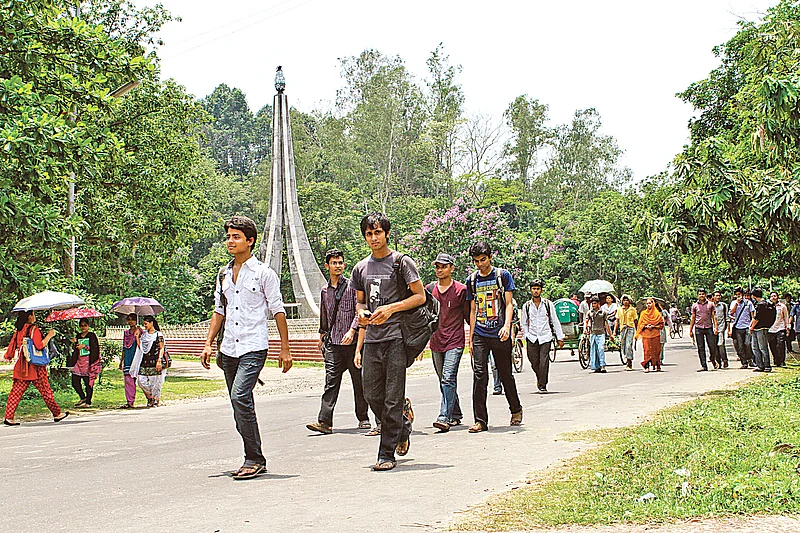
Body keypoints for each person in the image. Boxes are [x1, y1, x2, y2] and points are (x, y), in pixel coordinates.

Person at [200, 215, 292, 480]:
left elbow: (278, 311)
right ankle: (252, 455)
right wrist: (208, 344)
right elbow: (219, 311)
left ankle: (254, 458)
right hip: (228, 348)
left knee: (240, 397)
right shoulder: (223, 274)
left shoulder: (264, 274)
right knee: (238, 402)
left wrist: (285, 349)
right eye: (228, 236)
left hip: (254, 346)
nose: (230, 241)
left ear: (250, 241)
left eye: (236, 236)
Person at [351, 212, 424, 472]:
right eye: (369, 234)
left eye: (378, 232)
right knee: (371, 393)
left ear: (387, 233)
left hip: (396, 338)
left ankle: (386, 453)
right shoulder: (360, 268)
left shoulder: (401, 262)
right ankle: (402, 427)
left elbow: (420, 296)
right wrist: (360, 311)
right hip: (372, 338)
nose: (373, 238)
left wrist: (391, 309)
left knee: (393, 397)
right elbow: (360, 300)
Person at [307, 249, 370, 435]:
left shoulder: (352, 287)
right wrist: (322, 335)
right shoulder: (325, 291)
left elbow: (360, 309)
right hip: (334, 342)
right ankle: (324, 421)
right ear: (327, 266)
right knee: (331, 381)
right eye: (334, 263)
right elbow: (325, 315)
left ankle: (363, 417)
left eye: (340, 262)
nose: (338, 266)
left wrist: (352, 330)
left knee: (359, 381)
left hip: (352, 344)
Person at [465, 240, 523, 433]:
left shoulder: (502, 276)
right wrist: (472, 338)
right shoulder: (472, 281)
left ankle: (516, 408)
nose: (480, 264)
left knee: (505, 373)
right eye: (476, 261)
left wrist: (507, 327)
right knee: (479, 375)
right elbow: (473, 310)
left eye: (483, 259)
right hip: (481, 333)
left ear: (490, 257)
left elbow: (508, 304)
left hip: (499, 332)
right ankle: (480, 420)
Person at [3, 311, 68, 426]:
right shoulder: (34, 329)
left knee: (15, 392)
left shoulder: (19, 330)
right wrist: (49, 335)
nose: (35, 317)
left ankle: (9, 417)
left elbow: (12, 345)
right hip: (36, 366)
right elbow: (40, 345)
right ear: (29, 316)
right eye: (33, 314)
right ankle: (57, 413)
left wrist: (9, 356)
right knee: (45, 391)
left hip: (22, 365)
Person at [428, 253, 469, 432]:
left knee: (447, 378)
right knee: (444, 380)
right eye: (437, 267)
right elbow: (425, 317)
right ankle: (456, 413)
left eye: (443, 266)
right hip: (436, 341)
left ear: (452, 268)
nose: (440, 270)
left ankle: (444, 416)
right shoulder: (429, 289)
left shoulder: (461, 290)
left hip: (455, 340)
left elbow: (470, 315)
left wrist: (475, 339)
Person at [520, 279, 564, 393]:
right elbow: (524, 322)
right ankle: (540, 378)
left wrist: (560, 337)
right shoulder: (526, 306)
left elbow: (555, 320)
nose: (536, 291)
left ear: (541, 290)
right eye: (534, 289)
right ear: (530, 290)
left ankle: (543, 384)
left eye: (538, 289)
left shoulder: (548, 304)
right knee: (533, 361)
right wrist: (526, 335)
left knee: (544, 361)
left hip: (545, 336)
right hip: (532, 337)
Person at [69, 319, 101, 407]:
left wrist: (85, 347)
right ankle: (83, 397)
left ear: (88, 326)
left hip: (89, 362)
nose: (83, 327)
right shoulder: (78, 336)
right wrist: (74, 343)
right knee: (75, 381)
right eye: (81, 325)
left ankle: (88, 402)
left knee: (88, 382)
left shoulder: (92, 335)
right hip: (79, 362)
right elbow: (75, 349)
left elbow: (95, 349)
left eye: (85, 325)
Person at [135, 316, 166, 408]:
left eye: (146, 324)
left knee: (156, 381)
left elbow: (161, 348)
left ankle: (155, 399)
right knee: (141, 381)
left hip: (155, 360)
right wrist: (137, 337)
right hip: (145, 361)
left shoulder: (158, 335)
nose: (145, 326)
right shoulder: (144, 335)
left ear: (151, 323)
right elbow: (142, 347)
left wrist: (159, 360)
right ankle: (151, 395)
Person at [689, 288, 718, 372]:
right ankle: (703, 365)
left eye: (703, 294)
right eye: (700, 294)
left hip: (709, 327)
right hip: (698, 328)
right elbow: (693, 318)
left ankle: (712, 358)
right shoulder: (695, 306)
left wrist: (716, 327)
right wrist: (690, 330)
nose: (701, 295)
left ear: (705, 295)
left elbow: (714, 317)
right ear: (697, 295)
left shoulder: (711, 304)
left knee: (712, 346)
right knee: (700, 347)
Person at [749, 287, 775, 373]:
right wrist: (752, 326)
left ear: (753, 295)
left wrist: (752, 327)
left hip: (761, 328)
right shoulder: (761, 303)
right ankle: (760, 365)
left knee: (763, 347)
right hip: (757, 328)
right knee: (755, 347)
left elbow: (757, 318)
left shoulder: (762, 304)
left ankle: (767, 365)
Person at [636, 298, 665, 372]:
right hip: (646, 335)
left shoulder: (657, 314)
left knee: (656, 350)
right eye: (647, 303)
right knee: (647, 350)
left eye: (650, 303)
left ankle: (657, 365)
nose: (648, 305)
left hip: (655, 334)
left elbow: (661, 325)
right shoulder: (643, 313)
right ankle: (647, 366)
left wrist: (654, 326)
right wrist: (645, 326)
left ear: (653, 304)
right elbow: (640, 324)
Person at [729, 288, 755, 368]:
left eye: (739, 295)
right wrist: (736, 304)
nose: (738, 296)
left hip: (747, 326)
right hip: (738, 327)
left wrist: (752, 325)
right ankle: (744, 362)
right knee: (740, 346)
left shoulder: (748, 303)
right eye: (736, 295)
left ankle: (750, 359)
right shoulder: (733, 303)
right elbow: (731, 313)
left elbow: (752, 314)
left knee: (747, 344)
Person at [119, 313, 141, 408]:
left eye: (133, 319)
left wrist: (138, 335)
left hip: (137, 357)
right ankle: (130, 401)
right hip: (128, 358)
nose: (131, 322)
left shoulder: (141, 332)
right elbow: (124, 347)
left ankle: (151, 398)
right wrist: (121, 361)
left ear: (136, 321)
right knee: (128, 380)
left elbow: (142, 345)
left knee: (142, 380)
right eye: (129, 320)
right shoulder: (126, 333)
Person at [585, 296, 612, 372]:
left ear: (598, 304)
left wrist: (610, 335)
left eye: (594, 303)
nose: (593, 305)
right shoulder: (590, 313)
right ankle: (596, 366)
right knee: (594, 350)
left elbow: (606, 324)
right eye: (592, 303)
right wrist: (585, 329)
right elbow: (586, 321)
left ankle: (602, 365)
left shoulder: (603, 313)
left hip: (601, 333)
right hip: (593, 333)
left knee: (601, 349)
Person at [767, 291, 790, 369]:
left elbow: (786, 317)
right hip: (771, 329)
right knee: (772, 346)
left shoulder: (782, 306)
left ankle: (782, 361)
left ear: (778, 297)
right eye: (772, 296)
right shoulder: (767, 306)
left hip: (780, 328)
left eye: (775, 296)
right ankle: (776, 360)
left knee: (780, 345)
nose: (773, 297)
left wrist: (788, 327)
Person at [615, 295, 638, 370]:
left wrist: (637, 332)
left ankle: (629, 362)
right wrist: (614, 331)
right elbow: (617, 321)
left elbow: (635, 320)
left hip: (630, 328)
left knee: (628, 345)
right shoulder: (619, 309)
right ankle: (626, 357)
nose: (625, 302)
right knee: (623, 345)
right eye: (624, 300)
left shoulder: (633, 309)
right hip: (622, 329)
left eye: (627, 300)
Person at [711, 291, 729, 369]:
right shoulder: (710, 306)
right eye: (716, 296)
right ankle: (718, 362)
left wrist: (728, 329)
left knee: (720, 344)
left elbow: (727, 317)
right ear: (713, 297)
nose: (718, 297)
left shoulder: (723, 305)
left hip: (721, 327)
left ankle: (724, 360)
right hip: (712, 328)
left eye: (719, 295)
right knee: (714, 346)